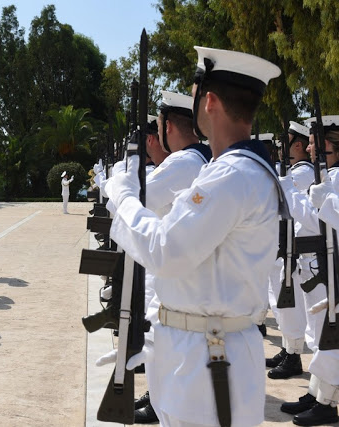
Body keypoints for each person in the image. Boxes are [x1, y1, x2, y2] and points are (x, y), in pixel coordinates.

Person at [104, 47, 282, 426]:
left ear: (210, 101)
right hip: (196, 354)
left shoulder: (234, 175)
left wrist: (122, 196)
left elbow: (165, 248)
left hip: (211, 361)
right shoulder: (227, 170)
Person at [101, 90, 212, 423]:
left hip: (166, 268)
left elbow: (131, 202)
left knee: (162, 350)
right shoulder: (205, 158)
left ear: (167, 127)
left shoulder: (184, 162)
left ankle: (157, 399)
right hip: (188, 271)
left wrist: (125, 174)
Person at [278, 115, 339, 426]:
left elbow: (320, 223)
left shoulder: (336, 177)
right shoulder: (329, 175)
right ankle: (318, 394)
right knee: (319, 334)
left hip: (327, 265)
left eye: (317, 142)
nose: (311, 147)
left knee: (327, 336)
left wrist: (302, 196)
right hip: (317, 263)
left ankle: (327, 401)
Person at [266, 122, 316, 380]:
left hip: (295, 249)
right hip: (282, 245)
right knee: (281, 303)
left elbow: (279, 198)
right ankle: (288, 349)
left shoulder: (304, 172)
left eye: (286, 140)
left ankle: (294, 355)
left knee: (291, 305)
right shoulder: (293, 171)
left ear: (296, 144)